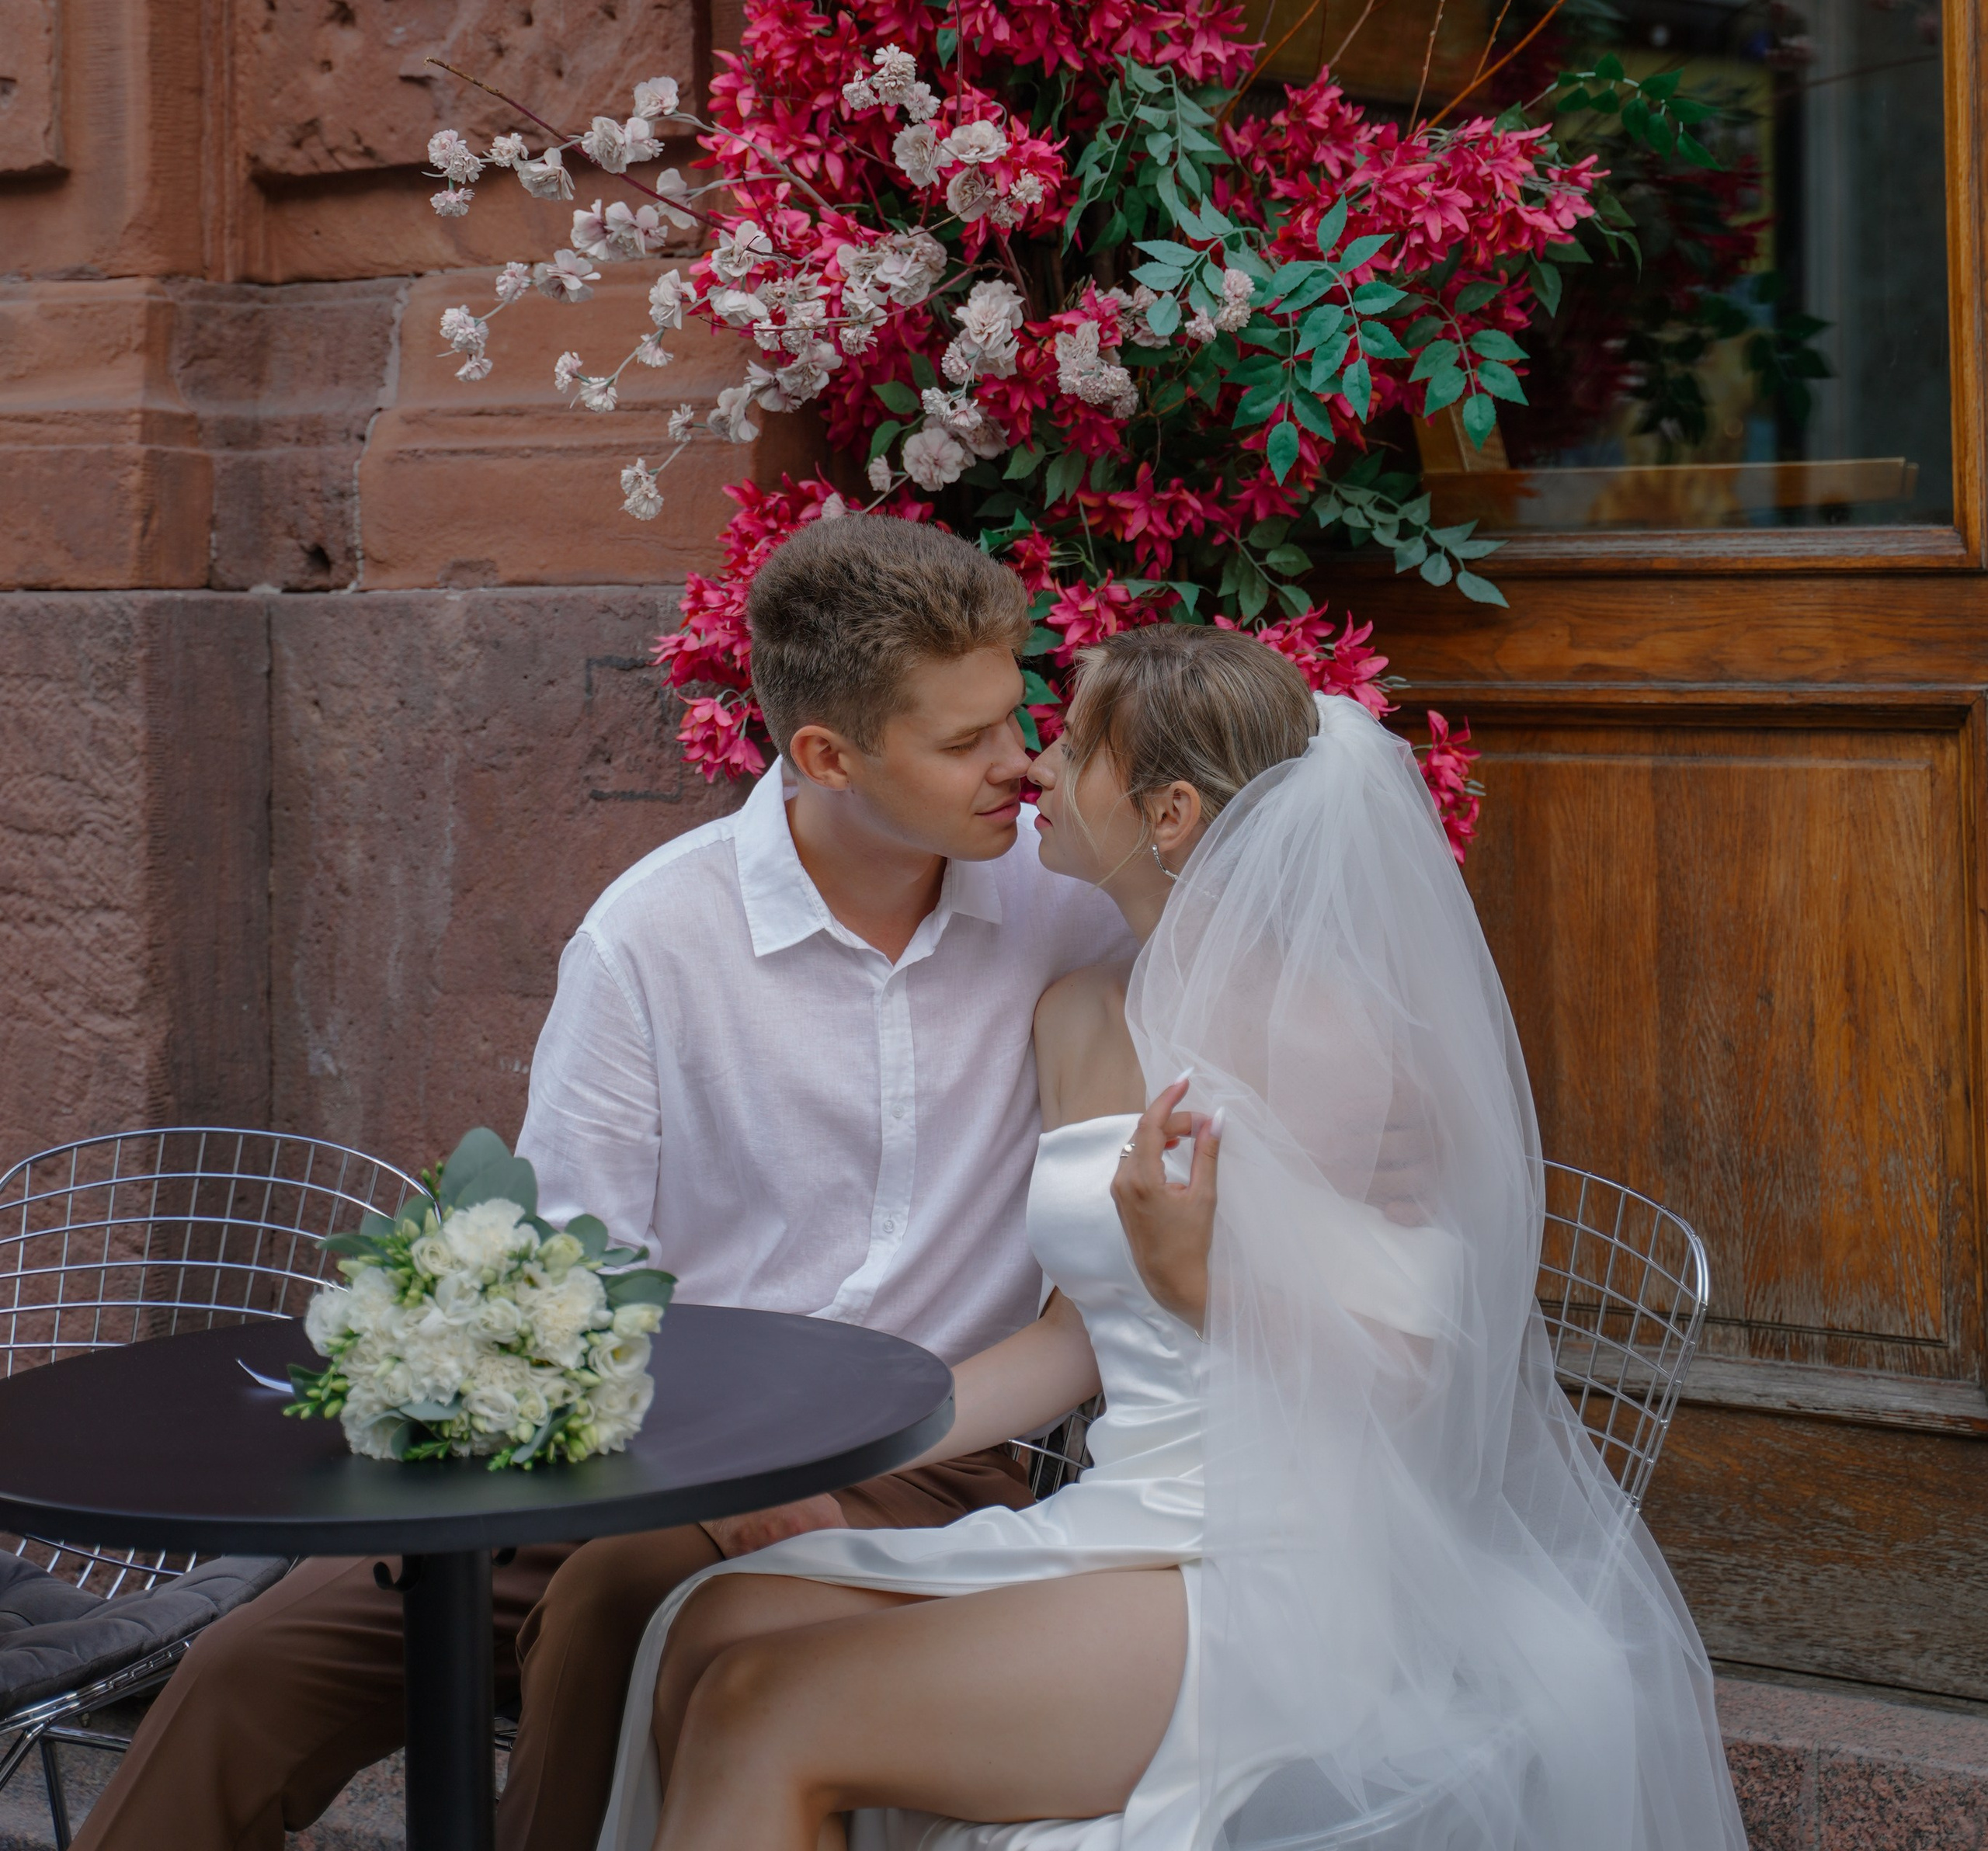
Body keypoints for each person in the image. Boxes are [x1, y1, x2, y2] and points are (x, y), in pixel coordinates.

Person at [593, 626, 1749, 1851]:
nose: (1035, 768)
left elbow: (1421, 1384)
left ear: (1172, 811)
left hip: (1286, 1556)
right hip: (1130, 1512)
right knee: (708, 1629)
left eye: (1076, 747)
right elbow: (1076, 1339)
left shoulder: (1344, 1045)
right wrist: (820, 1444)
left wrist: (1206, 1280)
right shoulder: (1080, 1015)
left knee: (761, 1707)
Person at [76, 516, 1132, 1851]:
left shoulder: (1070, 913)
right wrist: (709, 1461)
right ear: (826, 756)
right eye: (966, 740)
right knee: (247, 1674)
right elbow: (575, 1255)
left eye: (1015, 716)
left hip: (915, 1461)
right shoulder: (654, 933)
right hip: (624, 1447)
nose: (1020, 762)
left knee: (617, 1607)